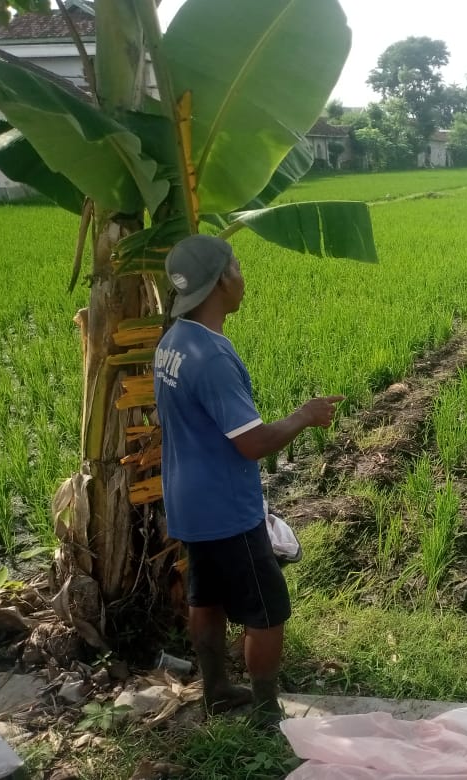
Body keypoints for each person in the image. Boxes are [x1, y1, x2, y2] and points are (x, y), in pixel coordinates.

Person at [153, 235, 343, 726]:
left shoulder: (172, 341)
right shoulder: (211, 358)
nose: (241, 274)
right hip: (225, 506)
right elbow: (252, 442)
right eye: (236, 265)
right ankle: (265, 712)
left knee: (206, 596)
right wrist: (305, 415)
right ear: (220, 281)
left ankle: (215, 689)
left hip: (187, 502)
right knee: (268, 609)